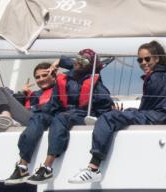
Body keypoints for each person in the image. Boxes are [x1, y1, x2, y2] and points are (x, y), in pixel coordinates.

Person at [67, 40, 166, 183]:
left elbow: (149, 108)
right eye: (140, 60)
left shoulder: (158, 77)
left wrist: (120, 114)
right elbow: (150, 106)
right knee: (121, 113)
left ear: (157, 58)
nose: (143, 63)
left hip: (161, 115)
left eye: (147, 59)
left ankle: (93, 168)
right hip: (165, 113)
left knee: (108, 117)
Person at [10, 49, 115, 184]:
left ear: (90, 66)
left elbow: (105, 105)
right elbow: (53, 104)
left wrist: (106, 114)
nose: (78, 62)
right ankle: (22, 166)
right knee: (38, 118)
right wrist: (34, 110)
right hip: (62, 113)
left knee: (61, 118)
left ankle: (47, 168)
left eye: (83, 61)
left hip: (81, 114)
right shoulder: (65, 79)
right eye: (77, 58)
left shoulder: (96, 85)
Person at [2, 62, 80, 184]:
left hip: (56, 117)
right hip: (38, 119)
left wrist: (61, 63)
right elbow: (22, 109)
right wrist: (22, 94)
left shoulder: (61, 86)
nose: (41, 79)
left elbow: (77, 73)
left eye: (44, 75)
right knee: (36, 118)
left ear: (53, 76)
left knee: (44, 119)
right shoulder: (34, 95)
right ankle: (22, 167)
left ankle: (42, 167)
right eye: (37, 77)